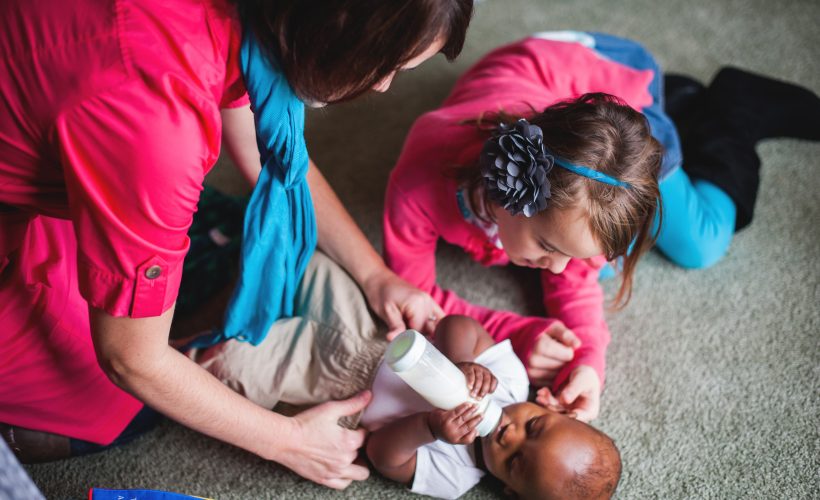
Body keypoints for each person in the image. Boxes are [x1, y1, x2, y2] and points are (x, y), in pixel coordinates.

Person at [0, 0, 472, 489]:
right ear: (336, 24)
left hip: (58, 103)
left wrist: (376, 276)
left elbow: (255, 146)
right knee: (122, 407)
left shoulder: (253, 24)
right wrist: (289, 440)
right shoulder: (161, 125)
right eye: (387, 63)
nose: (383, 85)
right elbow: (130, 358)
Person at [381, 31, 820, 420]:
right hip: (552, 71)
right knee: (616, 260)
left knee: (700, 246)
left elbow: (575, 276)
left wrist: (589, 360)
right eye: (548, 245)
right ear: (511, 195)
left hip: (620, 92)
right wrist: (519, 333)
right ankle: (687, 101)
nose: (555, 269)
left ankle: (730, 108)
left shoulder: (569, 205)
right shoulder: (421, 180)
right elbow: (416, 303)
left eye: (564, 254)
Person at [363, 315, 622, 500]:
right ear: (555, 410)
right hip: (381, 331)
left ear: (511, 490)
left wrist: (428, 428)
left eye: (515, 460)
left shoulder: (455, 477)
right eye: (532, 426)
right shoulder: (510, 380)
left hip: (342, 391)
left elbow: (380, 455)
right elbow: (456, 324)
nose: (510, 435)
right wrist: (461, 363)